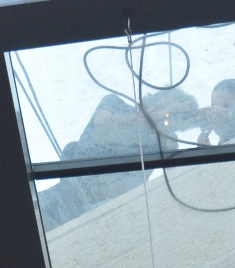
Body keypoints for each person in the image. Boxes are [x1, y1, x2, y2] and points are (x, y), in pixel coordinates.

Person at [39, 88, 200, 229]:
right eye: (161, 106)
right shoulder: (114, 104)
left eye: (171, 116)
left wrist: (205, 129)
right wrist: (142, 119)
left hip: (104, 217)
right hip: (60, 200)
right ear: (153, 99)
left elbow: (178, 179)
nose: (163, 116)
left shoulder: (164, 141)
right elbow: (101, 122)